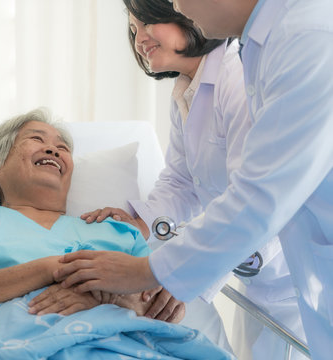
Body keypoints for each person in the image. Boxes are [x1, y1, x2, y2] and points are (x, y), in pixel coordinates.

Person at [54, 0, 333, 358]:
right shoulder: (209, 77)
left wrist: (155, 273)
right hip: (272, 277)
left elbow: (257, 195)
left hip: (279, 267)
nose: (180, 5)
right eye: (133, 28)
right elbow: (182, 180)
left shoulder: (286, 45)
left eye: (149, 21)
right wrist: (141, 224)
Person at [0, 108, 234, 359]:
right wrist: (51, 269)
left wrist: (104, 297)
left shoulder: (116, 232)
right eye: (36, 140)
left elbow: (162, 307)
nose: (53, 149)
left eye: (63, 147)